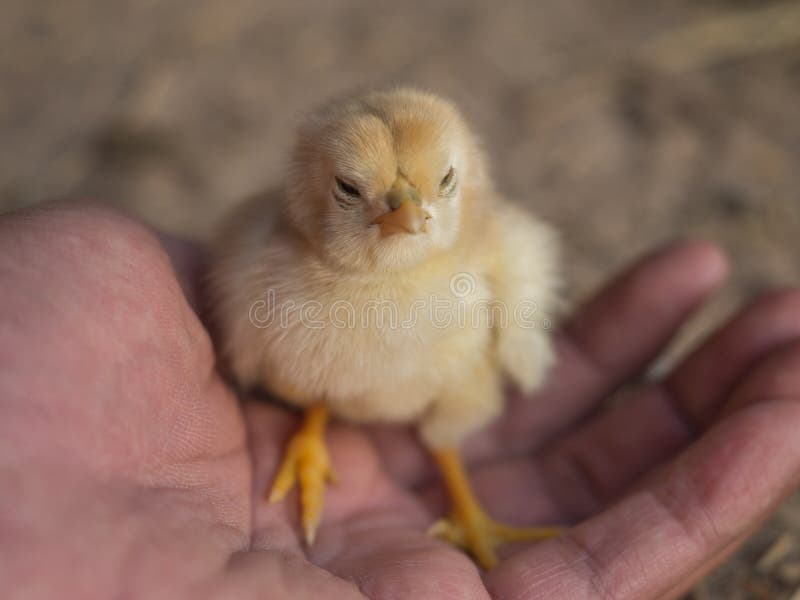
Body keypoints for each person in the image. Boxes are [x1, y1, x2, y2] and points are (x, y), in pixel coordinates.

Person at [1, 201, 800, 600]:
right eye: (360, 191)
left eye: (433, 191)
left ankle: (466, 502)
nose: (404, 211)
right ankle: (314, 428)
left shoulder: (479, 260)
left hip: (437, 389)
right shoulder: (278, 265)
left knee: (447, 398)